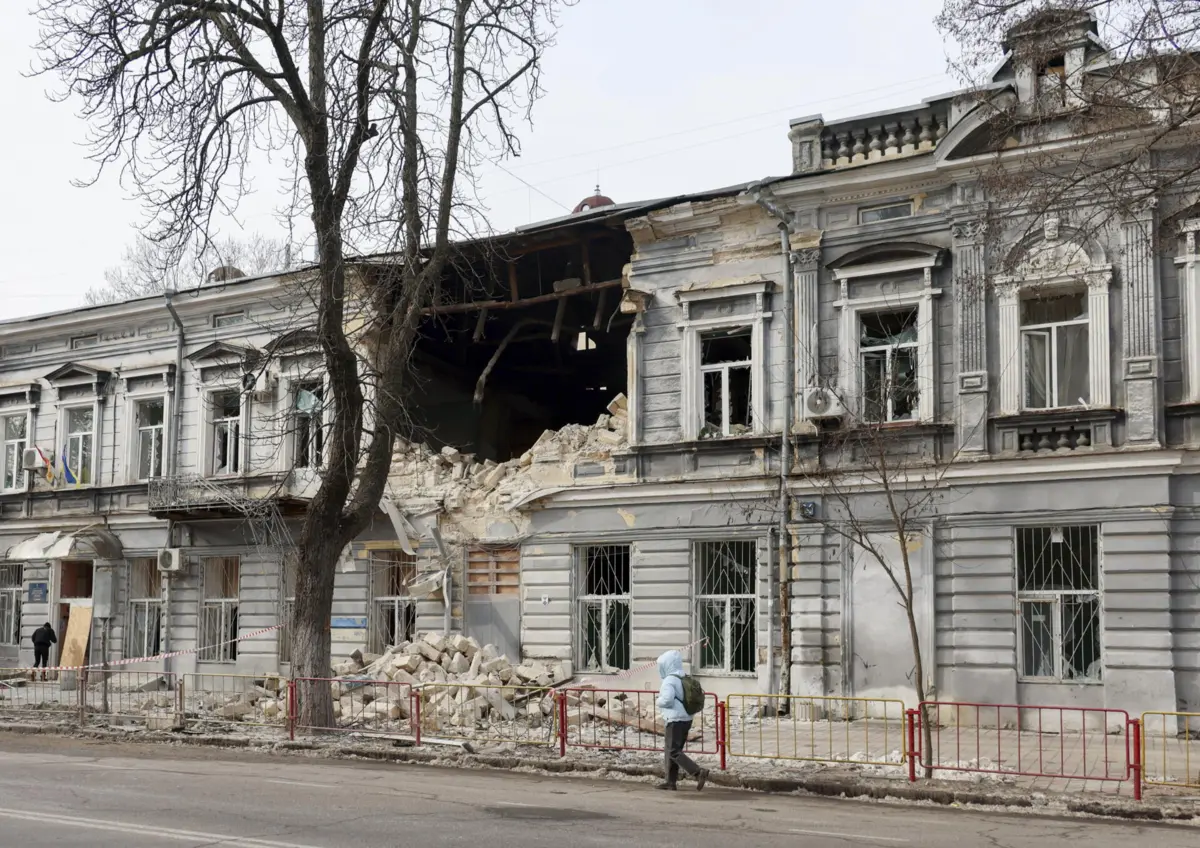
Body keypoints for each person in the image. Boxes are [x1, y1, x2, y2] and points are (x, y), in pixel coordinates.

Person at [655, 649, 709, 791]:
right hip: (686, 718)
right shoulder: (683, 676)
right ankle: (670, 782)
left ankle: (697, 772)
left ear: (667, 665)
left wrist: (658, 701)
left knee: (673, 751)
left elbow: (666, 700)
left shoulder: (669, 680)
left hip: (675, 719)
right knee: (672, 751)